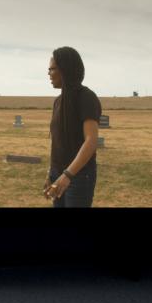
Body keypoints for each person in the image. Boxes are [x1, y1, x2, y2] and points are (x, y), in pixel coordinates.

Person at [43, 47, 102, 207]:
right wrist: (51, 173)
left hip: (79, 176)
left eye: (52, 69)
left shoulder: (86, 97)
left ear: (65, 69)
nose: (48, 73)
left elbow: (91, 140)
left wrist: (67, 175)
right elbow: (57, 142)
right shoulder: (57, 102)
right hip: (58, 174)